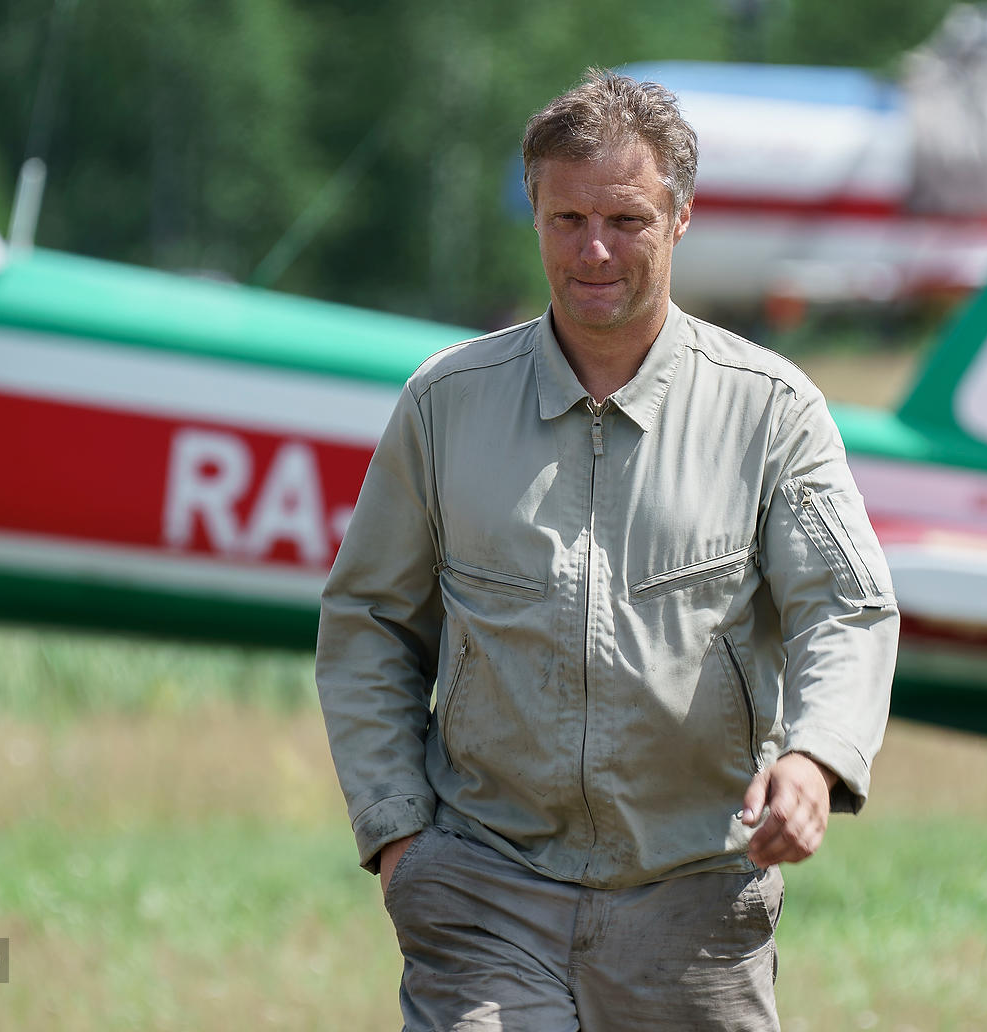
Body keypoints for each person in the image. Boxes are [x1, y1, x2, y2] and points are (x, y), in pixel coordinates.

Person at [316, 68, 898, 1031]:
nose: (594, 249)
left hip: (696, 897)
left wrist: (815, 760)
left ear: (681, 218)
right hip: (483, 889)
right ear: (535, 214)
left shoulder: (773, 410)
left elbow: (846, 606)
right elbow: (369, 619)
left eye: (626, 220)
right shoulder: (443, 404)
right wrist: (398, 840)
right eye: (567, 219)